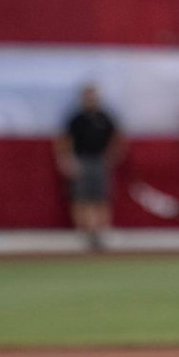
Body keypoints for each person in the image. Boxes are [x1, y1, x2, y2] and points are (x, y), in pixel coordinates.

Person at [54, 83, 125, 251]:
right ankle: (84, 234)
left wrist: (113, 155)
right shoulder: (76, 118)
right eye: (88, 96)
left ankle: (102, 233)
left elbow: (117, 136)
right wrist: (66, 159)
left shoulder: (105, 116)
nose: (91, 99)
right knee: (81, 197)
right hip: (81, 160)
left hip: (99, 160)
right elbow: (64, 140)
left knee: (101, 196)